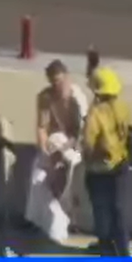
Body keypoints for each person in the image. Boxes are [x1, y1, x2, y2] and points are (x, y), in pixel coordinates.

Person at [26, 60, 89, 242]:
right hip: (53, 144)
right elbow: (41, 128)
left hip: (72, 146)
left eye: (60, 82)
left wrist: (63, 150)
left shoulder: (78, 98)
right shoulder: (45, 97)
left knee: (67, 172)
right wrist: (46, 149)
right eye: (53, 83)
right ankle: (35, 220)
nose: (57, 86)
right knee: (37, 177)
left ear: (67, 78)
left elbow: (81, 132)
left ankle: (67, 220)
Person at [81, 66, 132, 257]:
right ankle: (123, 248)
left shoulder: (95, 114)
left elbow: (87, 143)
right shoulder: (123, 107)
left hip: (99, 170)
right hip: (120, 164)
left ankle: (105, 248)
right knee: (118, 209)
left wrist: (88, 158)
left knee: (101, 210)